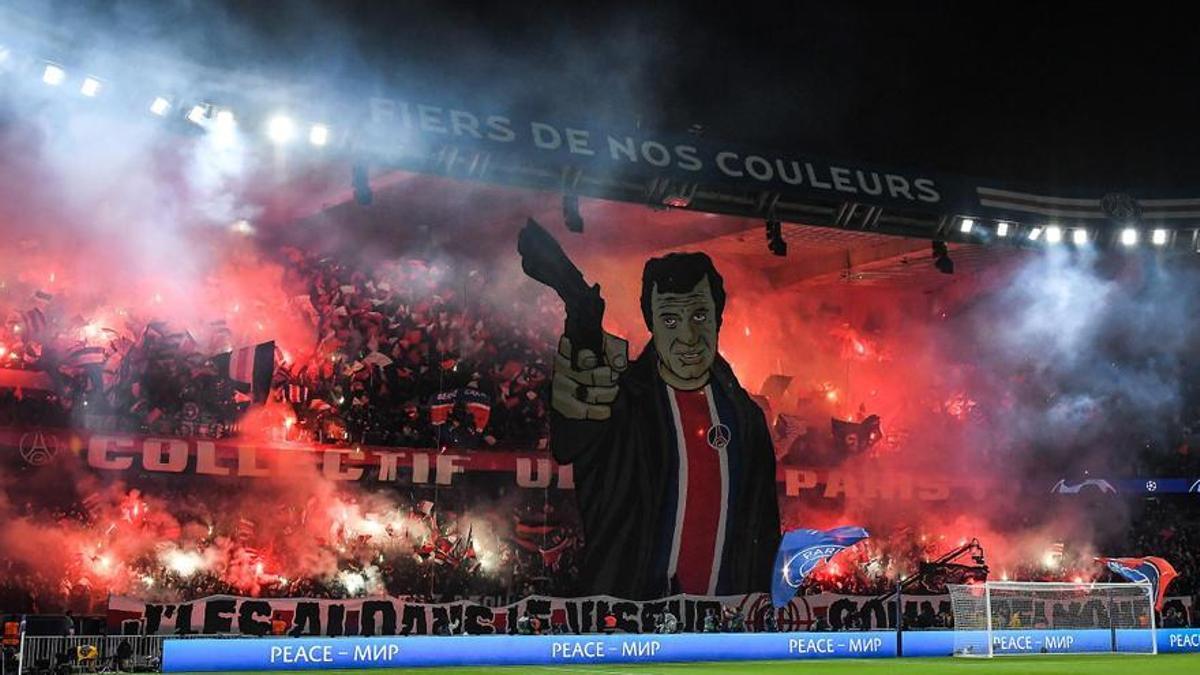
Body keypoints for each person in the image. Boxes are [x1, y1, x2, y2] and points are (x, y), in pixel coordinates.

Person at [550, 253, 781, 599]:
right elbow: (571, 442)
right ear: (652, 324)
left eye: (699, 316)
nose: (688, 337)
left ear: (718, 318)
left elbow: (763, 528)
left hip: (728, 628)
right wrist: (581, 333)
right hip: (634, 626)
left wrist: (764, 606)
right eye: (671, 320)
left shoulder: (746, 419)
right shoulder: (622, 402)